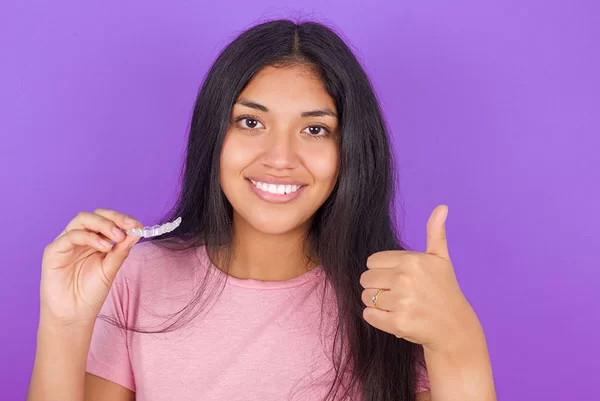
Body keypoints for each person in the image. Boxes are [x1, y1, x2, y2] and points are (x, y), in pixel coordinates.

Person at [27, 19, 496, 401]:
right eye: (251, 122)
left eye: (314, 130)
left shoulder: (396, 299)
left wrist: (460, 342)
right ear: (215, 137)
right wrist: (65, 324)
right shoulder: (139, 277)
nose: (279, 157)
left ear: (351, 150)